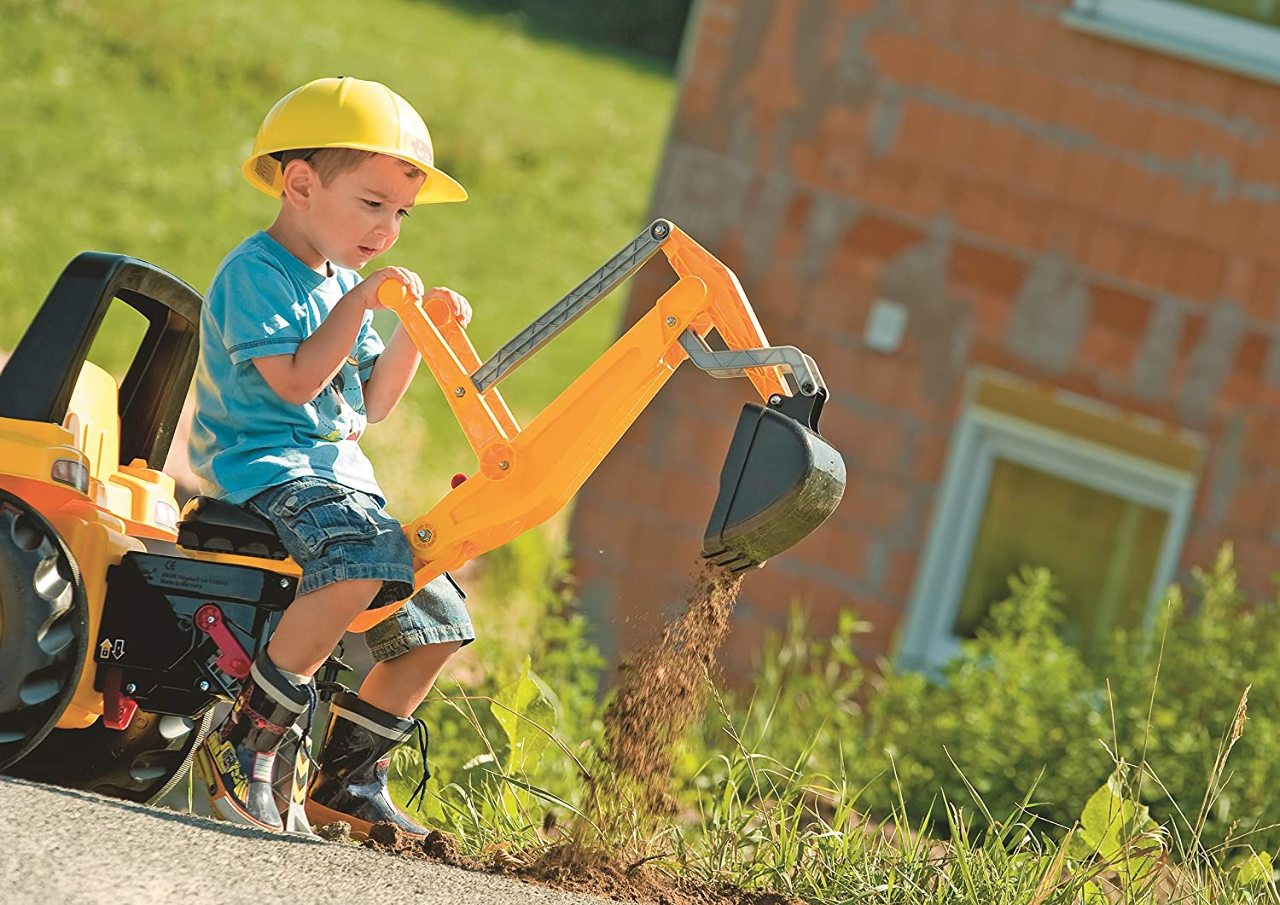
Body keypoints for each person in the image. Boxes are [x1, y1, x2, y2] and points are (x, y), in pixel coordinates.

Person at [187, 76, 476, 837]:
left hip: (337, 485)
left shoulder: (343, 282)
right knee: (358, 557)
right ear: (302, 184)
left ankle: (347, 780)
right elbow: (293, 382)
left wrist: (417, 328)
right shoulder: (257, 273)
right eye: (372, 204)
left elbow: (373, 402)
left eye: (401, 214)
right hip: (267, 471)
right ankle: (248, 731)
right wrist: (363, 301)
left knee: (442, 611)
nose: (388, 230)